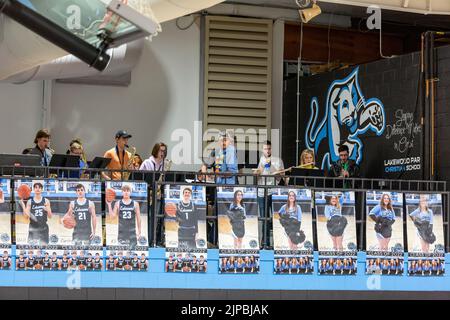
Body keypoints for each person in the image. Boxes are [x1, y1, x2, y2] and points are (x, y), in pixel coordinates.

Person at [253, 140, 285, 248]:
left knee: (276, 218)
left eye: (269, 148)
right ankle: (265, 243)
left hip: (274, 191)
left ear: (272, 149)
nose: (267, 150)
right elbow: (256, 178)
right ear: (262, 150)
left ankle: (277, 243)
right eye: (265, 149)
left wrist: (273, 168)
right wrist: (258, 171)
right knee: (264, 218)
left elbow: (281, 177)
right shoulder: (260, 160)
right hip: (262, 192)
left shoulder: (277, 160)